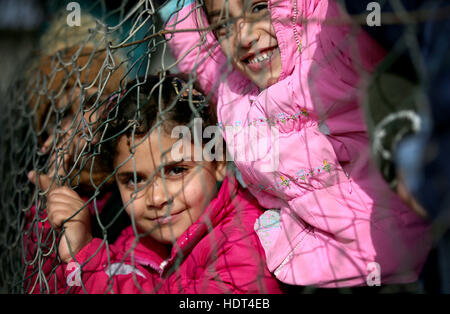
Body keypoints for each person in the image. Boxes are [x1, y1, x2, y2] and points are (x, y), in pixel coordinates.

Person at [155, 0, 432, 288]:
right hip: (303, 270)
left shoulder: (327, 35)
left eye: (260, 8)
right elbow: (193, 47)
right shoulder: (230, 82)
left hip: (399, 259)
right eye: (223, 25)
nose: (244, 37)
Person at [26, 74, 283, 293]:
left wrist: (86, 258)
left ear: (217, 162)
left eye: (176, 170)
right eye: (134, 179)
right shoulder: (135, 241)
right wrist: (55, 227)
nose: (157, 198)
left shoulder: (245, 238)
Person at [23, 12, 129, 294]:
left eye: (90, 102)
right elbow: (39, 280)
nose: (76, 125)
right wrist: (56, 183)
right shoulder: (32, 186)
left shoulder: (133, 182)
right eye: (61, 114)